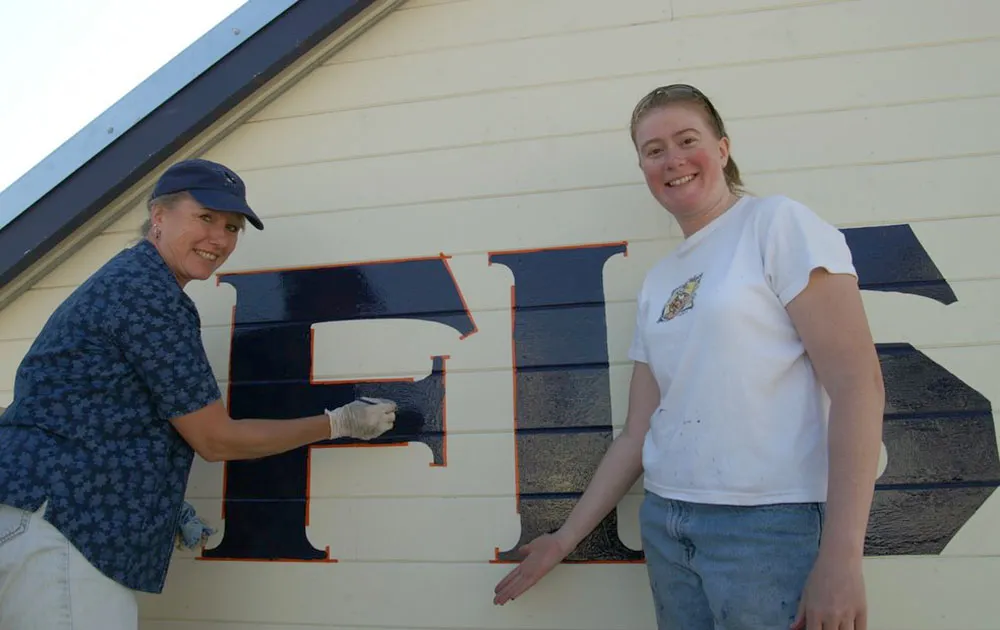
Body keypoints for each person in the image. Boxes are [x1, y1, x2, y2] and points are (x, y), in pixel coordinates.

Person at [493, 84, 885, 630]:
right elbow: (638, 433)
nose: (672, 160)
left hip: (768, 527)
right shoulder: (660, 281)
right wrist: (563, 539)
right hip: (667, 523)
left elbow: (857, 385)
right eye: (653, 150)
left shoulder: (777, 224)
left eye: (686, 140)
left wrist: (842, 558)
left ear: (722, 149)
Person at [0, 158, 397, 629]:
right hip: (64, 529)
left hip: (40, 520)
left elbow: (89, 414)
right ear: (159, 215)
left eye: (231, 227)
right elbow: (215, 439)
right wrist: (339, 422)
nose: (219, 239)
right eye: (205, 217)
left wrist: (157, 499)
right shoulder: (148, 295)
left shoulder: (128, 281)